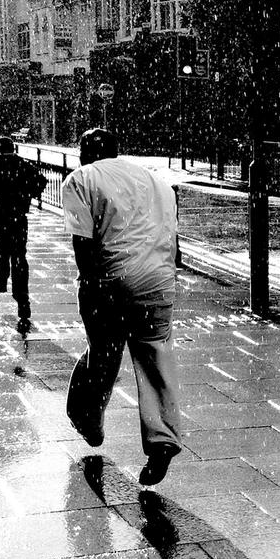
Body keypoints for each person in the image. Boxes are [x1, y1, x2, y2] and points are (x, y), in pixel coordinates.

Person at [62, 128, 182, 486]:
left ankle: (89, 420)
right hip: (158, 280)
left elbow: (82, 242)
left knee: (103, 353)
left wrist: (90, 285)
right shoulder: (156, 181)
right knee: (155, 358)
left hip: (111, 277)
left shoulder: (81, 179)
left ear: (86, 152)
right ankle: (163, 441)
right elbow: (171, 236)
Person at [0, 135, 47, 331]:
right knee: (20, 254)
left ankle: (2, 275)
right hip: (18, 215)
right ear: (13, 149)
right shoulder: (23, 166)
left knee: (2, 241)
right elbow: (41, 182)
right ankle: (23, 300)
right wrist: (28, 193)